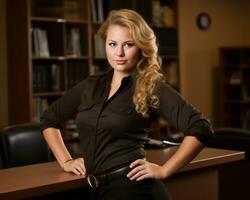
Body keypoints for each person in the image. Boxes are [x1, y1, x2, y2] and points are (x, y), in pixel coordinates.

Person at [40, 9, 213, 200]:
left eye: (128, 45)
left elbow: (201, 128)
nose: (119, 52)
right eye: (112, 44)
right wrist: (65, 161)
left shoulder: (152, 87)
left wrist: (165, 170)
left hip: (134, 191)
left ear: (141, 47)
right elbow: (49, 119)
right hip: (95, 190)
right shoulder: (90, 85)